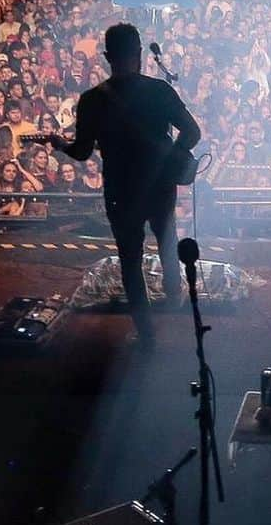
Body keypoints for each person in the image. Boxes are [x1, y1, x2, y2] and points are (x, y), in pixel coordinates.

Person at [50, 23, 200, 351]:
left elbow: (83, 151)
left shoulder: (92, 100)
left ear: (107, 57)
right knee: (167, 240)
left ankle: (145, 333)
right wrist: (172, 157)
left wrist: (60, 144)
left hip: (121, 190)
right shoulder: (160, 91)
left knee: (130, 260)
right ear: (140, 54)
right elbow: (193, 132)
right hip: (159, 184)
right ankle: (175, 300)